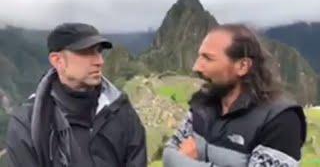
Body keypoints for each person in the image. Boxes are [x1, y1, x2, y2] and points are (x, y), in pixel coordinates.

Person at [163, 24, 306, 167]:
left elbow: (176, 160)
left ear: (243, 66)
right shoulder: (203, 106)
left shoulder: (280, 119)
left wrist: (185, 163)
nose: (196, 67)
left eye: (208, 58)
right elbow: (169, 155)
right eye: (199, 56)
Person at [6, 23, 147, 167]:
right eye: (86, 52)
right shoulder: (27, 123)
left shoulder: (120, 110)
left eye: (99, 52)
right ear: (58, 60)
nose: (99, 61)